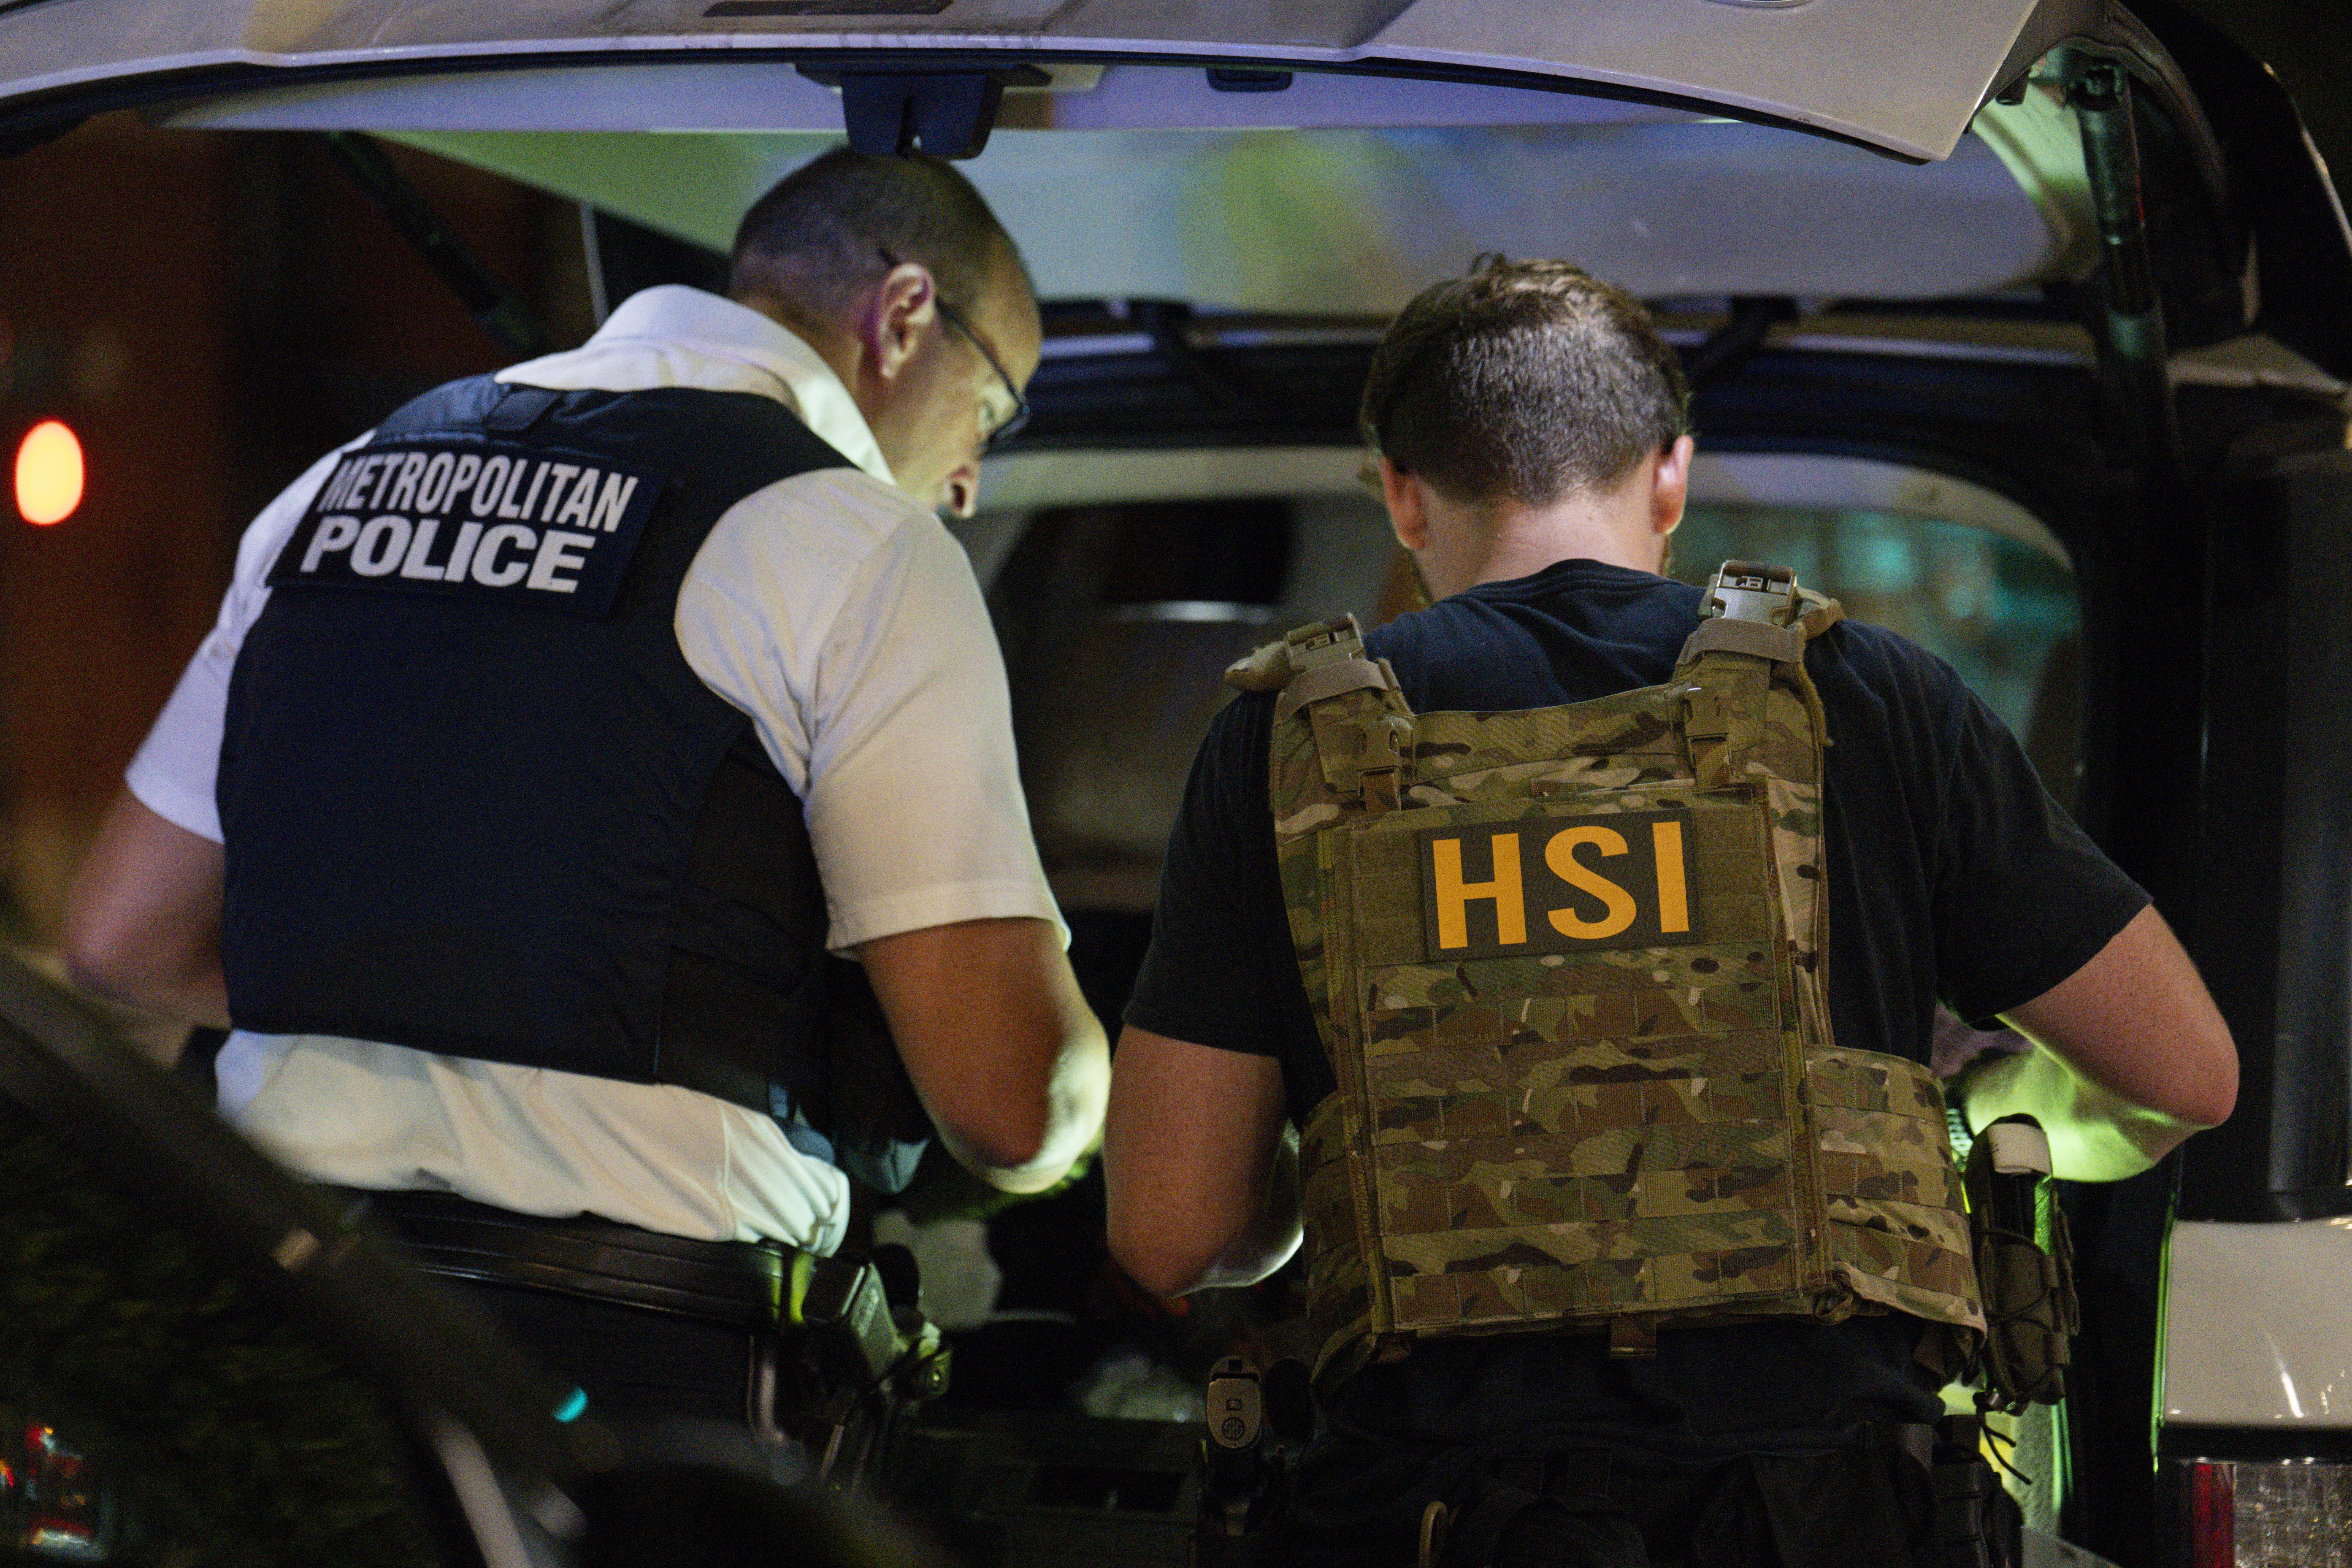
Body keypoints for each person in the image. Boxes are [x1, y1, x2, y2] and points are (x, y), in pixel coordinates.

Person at [1103, 258, 2237, 1566]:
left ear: (1402, 495)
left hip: (1437, 1516)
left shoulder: (1280, 743)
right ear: (1669, 476)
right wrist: (1964, 1114)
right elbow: (2183, 1077)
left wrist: (1386, 1156)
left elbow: (1169, 1229)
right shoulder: (1867, 696)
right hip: (1831, 1517)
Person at [61, 148, 1109, 1437]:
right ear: (899, 318)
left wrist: (419, 983)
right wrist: (1110, 1115)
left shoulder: (333, 487)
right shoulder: (856, 546)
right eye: (993, 413)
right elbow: (1008, 1106)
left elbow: (120, 939)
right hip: (639, 1377)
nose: (966, 481)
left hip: (296, 1335)